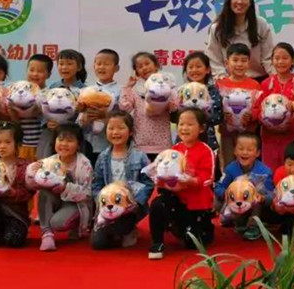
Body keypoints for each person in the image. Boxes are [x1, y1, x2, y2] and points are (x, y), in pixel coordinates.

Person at [149, 108, 215, 260]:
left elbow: (208, 178)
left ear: (201, 128)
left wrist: (192, 181)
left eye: (190, 124)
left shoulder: (206, 151)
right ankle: (157, 243)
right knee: (157, 203)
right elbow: (163, 171)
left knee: (194, 243)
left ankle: (197, 228)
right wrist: (159, 178)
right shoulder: (173, 150)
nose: (184, 128)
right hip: (176, 199)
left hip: (196, 204)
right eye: (181, 124)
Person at [90, 111, 153, 250]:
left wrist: (136, 202)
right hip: (108, 206)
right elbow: (96, 184)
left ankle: (128, 228)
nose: (115, 132)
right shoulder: (102, 157)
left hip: (131, 207)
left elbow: (148, 183)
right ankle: (114, 230)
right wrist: (100, 201)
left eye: (120, 128)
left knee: (123, 233)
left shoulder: (140, 156)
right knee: (98, 244)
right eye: (111, 128)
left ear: (130, 132)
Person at [30, 123, 94, 252]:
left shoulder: (84, 164)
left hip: (76, 204)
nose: (64, 144)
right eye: (60, 139)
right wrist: (32, 172)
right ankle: (46, 233)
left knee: (58, 223)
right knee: (44, 192)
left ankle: (76, 225)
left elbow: (88, 193)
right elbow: (32, 185)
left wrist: (65, 187)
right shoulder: (48, 161)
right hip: (56, 201)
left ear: (78, 144)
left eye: (69, 140)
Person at [0, 121, 35, 249]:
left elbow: (29, 193)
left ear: (17, 144)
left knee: (13, 240)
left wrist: (12, 193)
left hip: (16, 214)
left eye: (8, 142)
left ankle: (5, 232)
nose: (2, 146)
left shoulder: (26, 166)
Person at [204, 0, 275, 80]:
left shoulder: (261, 24)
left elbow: (268, 58)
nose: (240, 2)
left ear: (250, 2)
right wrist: (223, 80)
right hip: (228, 81)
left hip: (258, 80)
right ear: (229, 1)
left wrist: (276, 79)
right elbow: (214, 61)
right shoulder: (217, 28)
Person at [214, 133, 275, 241]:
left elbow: (272, 194)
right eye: (241, 149)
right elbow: (218, 187)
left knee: (256, 193)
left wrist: (262, 198)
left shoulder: (265, 171)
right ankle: (238, 221)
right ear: (235, 151)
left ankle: (254, 225)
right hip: (236, 202)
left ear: (257, 153)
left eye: (249, 150)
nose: (244, 152)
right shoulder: (230, 169)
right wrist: (228, 194)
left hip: (256, 205)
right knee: (215, 201)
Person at [120, 52, 173, 162]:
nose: (144, 68)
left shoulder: (166, 86)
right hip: (140, 143)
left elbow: (173, 108)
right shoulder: (134, 90)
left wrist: (168, 98)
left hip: (162, 144)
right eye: (140, 66)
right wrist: (128, 87)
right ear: (136, 72)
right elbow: (125, 108)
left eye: (147, 64)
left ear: (156, 66)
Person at [257, 43, 294, 170]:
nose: (281, 62)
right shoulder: (265, 84)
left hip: (291, 136)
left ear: (292, 61)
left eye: (285, 58)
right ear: (272, 61)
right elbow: (259, 109)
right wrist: (266, 120)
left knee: (290, 170)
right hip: (269, 137)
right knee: (269, 172)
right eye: (277, 58)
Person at [216, 43, 261, 167]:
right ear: (227, 63)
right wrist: (223, 116)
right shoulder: (220, 84)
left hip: (248, 133)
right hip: (227, 134)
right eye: (235, 60)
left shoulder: (255, 85)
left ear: (249, 63)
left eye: (243, 60)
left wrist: (251, 116)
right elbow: (216, 107)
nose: (239, 64)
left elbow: (259, 107)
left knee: (248, 165)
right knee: (228, 164)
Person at [37, 49, 87, 160]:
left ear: (79, 67)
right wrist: (47, 123)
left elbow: (83, 117)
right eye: (61, 64)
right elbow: (44, 107)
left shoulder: (84, 90)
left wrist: (80, 111)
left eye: (69, 64)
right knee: (48, 162)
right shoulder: (52, 87)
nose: (64, 67)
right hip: (52, 135)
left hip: (73, 137)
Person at [78, 49, 122, 165]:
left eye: (106, 64)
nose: (101, 67)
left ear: (116, 68)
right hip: (86, 144)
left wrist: (106, 116)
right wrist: (83, 116)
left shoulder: (122, 91)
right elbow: (78, 122)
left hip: (110, 145)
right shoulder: (85, 91)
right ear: (94, 66)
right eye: (98, 63)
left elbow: (126, 117)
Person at [7, 54, 52, 162]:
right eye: (31, 70)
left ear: (48, 74)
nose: (35, 74)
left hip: (42, 145)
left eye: (40, 71)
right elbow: (16, 121)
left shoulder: (50, 94)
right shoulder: (18, 93)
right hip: (21, 144)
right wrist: (11, 109)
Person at [175, 51, 222, 151]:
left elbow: (218, 117)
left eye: (198, 66)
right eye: (190, 67)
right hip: (184, 139)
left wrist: (203, 113)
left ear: (207, 69)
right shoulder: (182, 91)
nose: (194, 70)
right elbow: (175, 117)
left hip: (207, 139)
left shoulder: (213, 91)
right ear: (186, 70)